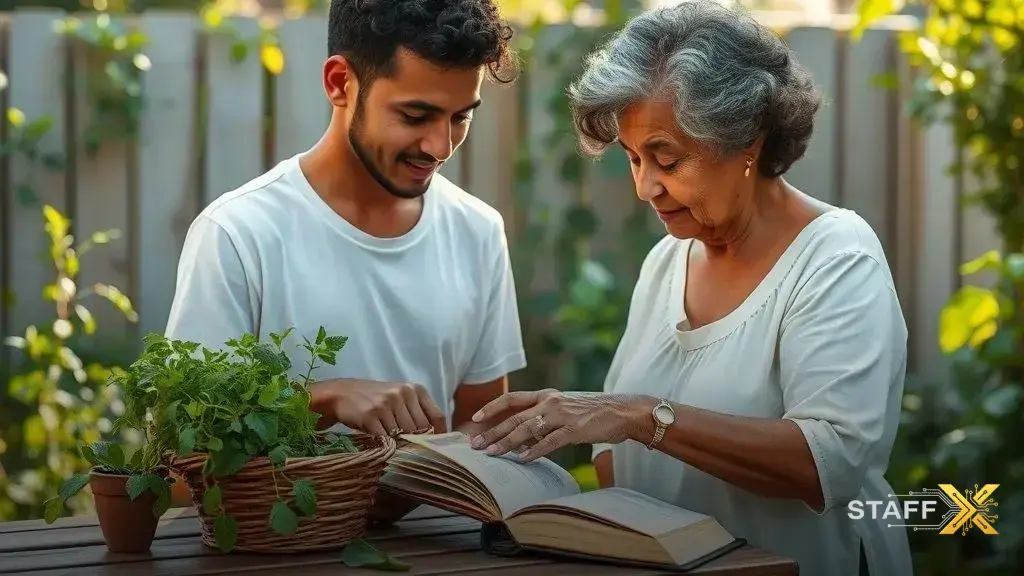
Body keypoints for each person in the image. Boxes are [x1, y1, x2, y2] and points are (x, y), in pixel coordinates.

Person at [467, 2, 913, 575]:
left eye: (667, 158)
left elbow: (829, 463)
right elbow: (613, 453)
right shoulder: (667, 261)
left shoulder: (836, 257)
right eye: (632, 159)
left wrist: (642, 416)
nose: (645, 187)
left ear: (746, 139)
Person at [164, 0, 525, 444]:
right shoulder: (239, 234)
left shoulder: (478, 231)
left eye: (461, 116)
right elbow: (185, 443)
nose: (441, 146)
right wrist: (323, 398)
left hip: (435, 516)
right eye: (415, 116)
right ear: (340, 83)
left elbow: (480, 427)